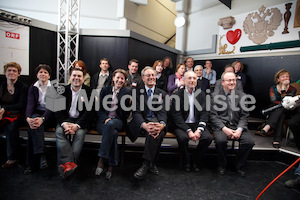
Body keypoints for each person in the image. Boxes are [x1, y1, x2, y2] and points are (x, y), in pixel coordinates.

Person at [210, 71, 254, 176]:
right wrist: (224, 128)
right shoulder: (214, 96)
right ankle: (222, 165)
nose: (232, 82)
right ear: (222, 82)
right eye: (229, 80)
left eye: (234, 80)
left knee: (249, 142)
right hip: (221, 126)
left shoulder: (242, 96)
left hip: (237, 125)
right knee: (220, 141)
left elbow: (245, 115)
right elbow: (213, 116)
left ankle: (239, 165)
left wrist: (239, 129)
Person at [127, 67, 167, 180]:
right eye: (148, 75)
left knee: (156, 131)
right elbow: (136, 112)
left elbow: (163, 111)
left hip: (155, 121)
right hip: (141, 122)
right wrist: (144, 125)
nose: (151, 77)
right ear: (143, 78)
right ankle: (152, 163)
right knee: (154, 131)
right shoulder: (137, 93)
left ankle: (146, 164)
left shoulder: (162, 93)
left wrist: (162, 124)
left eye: (153, 75)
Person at [55, 68, 93, 179]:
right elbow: (57, 109)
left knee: (80, 134)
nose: (76, 78)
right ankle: (70, 164)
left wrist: (77, 125)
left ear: (83, 78)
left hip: (80, 121)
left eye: (79, 76)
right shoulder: (61, 90)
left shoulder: (89, 91)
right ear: (70, 77)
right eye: (74, 76)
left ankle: (65, 164)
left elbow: (89, 112)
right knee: (59, 131)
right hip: (65, 120)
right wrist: (64, 123)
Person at [170, 71, 212, 171]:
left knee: (207, 138)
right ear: (184, 80)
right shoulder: (177, 94)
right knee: (183, 138)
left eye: (194, 78)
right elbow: (177, 116)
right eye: (189, 78)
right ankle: (186, 161)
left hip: (196, 124)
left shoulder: (201, 94)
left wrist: (199, 130)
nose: (192, 80)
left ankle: (195, 158)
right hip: (182, 125)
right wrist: (188, 131)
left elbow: (204, 113)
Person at [95, 69, 131, 180]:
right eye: (118, 77)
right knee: (113, 133)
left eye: (122, 78)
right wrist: (105, 119)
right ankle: (112, 164)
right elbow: (99, 109)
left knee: (111, 126)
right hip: (103, 122)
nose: (119, 80)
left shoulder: (126, 92)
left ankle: (101, 159)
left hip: (117, 121)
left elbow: (124, 114)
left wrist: (129, 104)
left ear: (125, 81)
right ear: (113, 78)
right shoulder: (105, 90)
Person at [24, 64, 55, 175]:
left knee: (33, 129)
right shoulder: (33, 87)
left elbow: (51, 107)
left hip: (50, 116)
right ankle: (40, 155)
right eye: (41, 72)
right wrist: (28, 118)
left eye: (45, 72)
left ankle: (31, 164)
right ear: (37, 74)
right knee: (33, 126)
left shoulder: (54, 88)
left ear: (49, 76)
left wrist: (43, 118)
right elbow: (30, 104)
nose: (43, 74)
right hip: (37, 114)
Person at [258, 69, 297, 148]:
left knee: (282, 107)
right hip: (276, 109)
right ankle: (277, 140)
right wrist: (282, 103)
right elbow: (273, 101)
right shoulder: (273, 88)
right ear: (278, 79)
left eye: (287, 77)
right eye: (283, 77)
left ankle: (268, 126)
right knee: (280, 113)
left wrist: (283, 88)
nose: (285, 78)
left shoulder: (293, 89)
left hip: (288, 110)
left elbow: (287, 102)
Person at [0, 62, 28, 168]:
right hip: (3, 113)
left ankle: (12, 158)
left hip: (18, 115)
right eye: (9, 70)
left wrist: (5, 108)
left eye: (14, 71)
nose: (11, 72)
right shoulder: (2, 86)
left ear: (19, 74)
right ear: (5, 73)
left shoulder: (23, 87)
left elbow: (21, 105)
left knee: (10, 128)